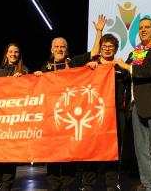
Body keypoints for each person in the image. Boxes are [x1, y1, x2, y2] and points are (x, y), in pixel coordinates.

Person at [34, 14, 106, 191]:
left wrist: (99, 32)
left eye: (62, 47)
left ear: (67, 49)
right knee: (51, 153)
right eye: (56, 47)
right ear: (51, 49)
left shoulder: (73, 63)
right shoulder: (45, 68)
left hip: (70, 117)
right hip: (52, 117)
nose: (59, 49)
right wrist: (36, 78)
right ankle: (53, 185)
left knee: (69, 152)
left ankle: (67, 185)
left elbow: (95, 53)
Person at [113, 17, 151, 191]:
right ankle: (147, 184)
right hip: (136, 106)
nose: (143, 30)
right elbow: (129, 75)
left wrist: (127, 66)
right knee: (142, 151)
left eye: (147, 27)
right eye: (140, 28)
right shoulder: (135, 53)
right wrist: (112, 69)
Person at [80, 34, 130, 191]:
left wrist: (122, 70)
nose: (107, 49)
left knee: (114, 149)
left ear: (115, 49)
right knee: (91, 148)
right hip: (94, 114)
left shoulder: (121, 66)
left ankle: (112, 184)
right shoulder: (91, 65)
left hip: (116, 113)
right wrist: (87, 69)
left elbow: (131, 84)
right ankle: (88, 184)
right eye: (104, 46)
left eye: (111, 46)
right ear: (100, 49)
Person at [0, 43, 29, 191]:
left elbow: (29, 93)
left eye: (16, 52)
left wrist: (23, 79)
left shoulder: (24, 71)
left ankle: (7, 183)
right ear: (6, 54)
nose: (13, 54)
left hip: (15, 119)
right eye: (10, 51)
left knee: (11, 152)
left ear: (19, 55)